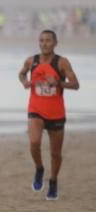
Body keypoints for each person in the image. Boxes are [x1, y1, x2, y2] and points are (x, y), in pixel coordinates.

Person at [18, 29, 80, 200]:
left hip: (56, 113)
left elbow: (75, 84)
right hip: (36, 109)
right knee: (34, 142)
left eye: (48, 40)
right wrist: (25, 82)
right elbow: (21, 73)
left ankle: (53, 182)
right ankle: (39, 169)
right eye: (42, 40)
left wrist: (59, 83)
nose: (44, 43)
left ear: (55, 43)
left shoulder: (62, 63)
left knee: (55, 154)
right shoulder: (32, 61)